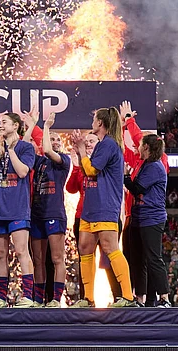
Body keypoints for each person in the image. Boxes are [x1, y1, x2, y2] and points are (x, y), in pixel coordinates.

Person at [72, 107, 136, 307]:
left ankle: (128, 297)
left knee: (110, 248)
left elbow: (91, 170)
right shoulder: (103, 145)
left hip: (105, 205)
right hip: (91, 206)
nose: (92, 122)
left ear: (100, 123)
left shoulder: (109, 144)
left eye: (94, 119)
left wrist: (82, 150)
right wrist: (79, 151)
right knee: (85, 249)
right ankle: (88, 298)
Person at [0, 112, 36, 308]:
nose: (0, 125)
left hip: (17, 209)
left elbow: (23, 172)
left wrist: (11, 151)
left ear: (15, 126)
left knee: (22, 251)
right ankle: (1, 296)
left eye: (4, 122)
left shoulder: (26, 148)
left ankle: (28, 296)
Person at [124, 134, 171, 307]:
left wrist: (125, 177)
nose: (138, 148)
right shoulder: (146, 165)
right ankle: (140, 299)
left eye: (140, 145)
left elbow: (137, 189)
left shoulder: (155, 167)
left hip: (152, 218)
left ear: (146, 148)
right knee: (137, 260)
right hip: (139, 218)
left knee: (153, 258)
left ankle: (165, 298)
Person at [29, 112, 70, 307]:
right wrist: (30, 124)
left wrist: (45, 127)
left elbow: (45, 149)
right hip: (36, 214)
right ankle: (38, 299)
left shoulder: (63, 161)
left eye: (56, 139)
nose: (53, 141)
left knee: (56, 258)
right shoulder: (38, 162)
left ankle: (55, 298)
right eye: (50, 138)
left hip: (54, 214)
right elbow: (31, 147)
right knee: (37, 260)